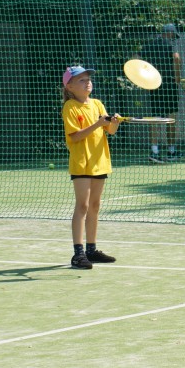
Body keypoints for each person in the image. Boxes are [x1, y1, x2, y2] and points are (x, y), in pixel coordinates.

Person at [61, 65, 121, 270]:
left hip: (99, 161)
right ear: (69, 87)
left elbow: (110, 130)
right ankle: (78, 254)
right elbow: (75, 136)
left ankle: (91, 250)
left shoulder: (97, 104)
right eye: (81, 80)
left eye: (88, 79)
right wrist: (97, 124)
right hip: (82, 163)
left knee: (95, 206)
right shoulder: (70, 107)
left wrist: (114, 122)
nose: (87, 82)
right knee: (82, 206)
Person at [138, 23, 182, 163]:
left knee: (155, 117)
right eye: (173, 35)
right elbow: (176, 58)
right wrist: (177, 77)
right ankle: (171, 151)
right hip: (169, 86)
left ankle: (154, 151)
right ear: (169, 33)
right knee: (171, 117)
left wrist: (144, 78)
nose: (174, 38)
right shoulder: (170, 45)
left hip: (154, 85)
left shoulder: (149, 45)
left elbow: (136, 59)